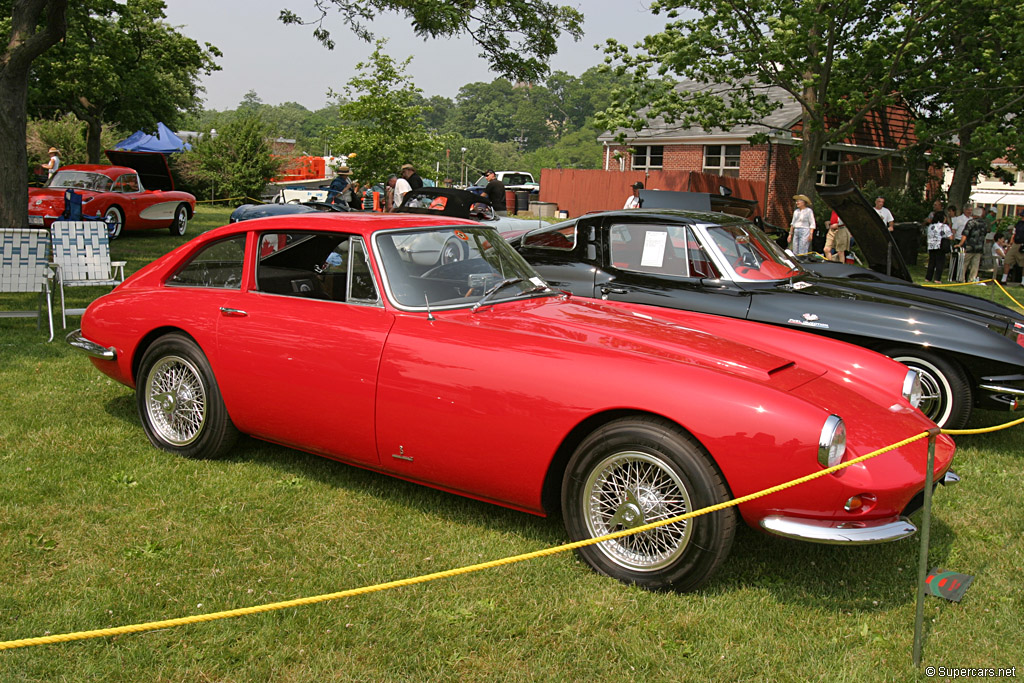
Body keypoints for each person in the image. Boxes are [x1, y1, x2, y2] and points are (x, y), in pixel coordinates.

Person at [957, 207, 988, 282]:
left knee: (964, 263)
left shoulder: (971, 222)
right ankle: (972, 279)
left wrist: (960, 244)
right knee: (975, 265)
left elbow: (965, 234)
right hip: (979, 247)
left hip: (970, 246)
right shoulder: (984, 223)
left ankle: (961, 278)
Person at [925, 211, 953, 283]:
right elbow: (950, 237)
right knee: (939, 263)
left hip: (931, 246)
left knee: (931, 262)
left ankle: (928, 277)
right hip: (940, 246)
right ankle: (937, 278)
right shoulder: (944, 226)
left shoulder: (931, 226)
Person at [1001, 210, 1024, 285]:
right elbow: (1014, 234)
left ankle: (1023, 282)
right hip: (1015, 244)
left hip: (1022, 244)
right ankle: (1004, 279)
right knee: (1007, 260)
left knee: (1023, 263)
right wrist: (1010, 245)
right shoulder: (1018, 223)